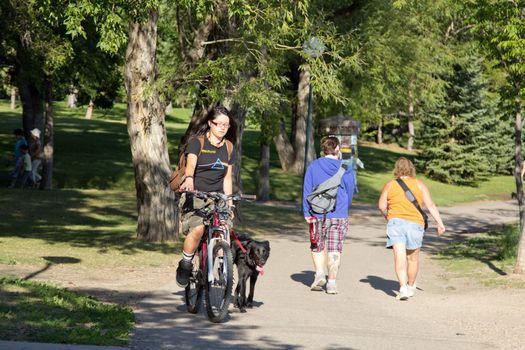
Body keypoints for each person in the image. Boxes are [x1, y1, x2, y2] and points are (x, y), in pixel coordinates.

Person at [175, 105, 237, 288]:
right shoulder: (197, 142)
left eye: (227, 125)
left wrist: (230, 202)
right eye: (219, 124)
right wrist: (189, 180)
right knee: (199, 228)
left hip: (218, 196)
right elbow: (191, 165)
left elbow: (227, 178)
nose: (223, 128)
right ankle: (186, 263)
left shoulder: (229, 147)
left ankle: (221, 265)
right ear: (210, 123)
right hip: (196, 193)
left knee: (224, 229)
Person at [378, 157, 446, 300]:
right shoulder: (420, 185)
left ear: (396, 169)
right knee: (413, 258)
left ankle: (402, 288)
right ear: (411, 169)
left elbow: (382, 206)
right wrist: (440, 223)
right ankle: (410, 286)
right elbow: (431, 205)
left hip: (396, 223)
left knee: (399, 257)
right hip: (415, 224)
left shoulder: (390, 185)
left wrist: (388, 216)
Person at [302, 136, 355, 294]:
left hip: (316, 212)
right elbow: (350, 189)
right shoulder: (346, 167)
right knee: (335, 249)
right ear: (337, 149)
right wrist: (346, 206)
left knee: (317, 245)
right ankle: (332, 282)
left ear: (323, 149)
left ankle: (319, 274)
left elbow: (307, 190)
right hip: (339, 214)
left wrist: (306, 211)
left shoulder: (313, 166)